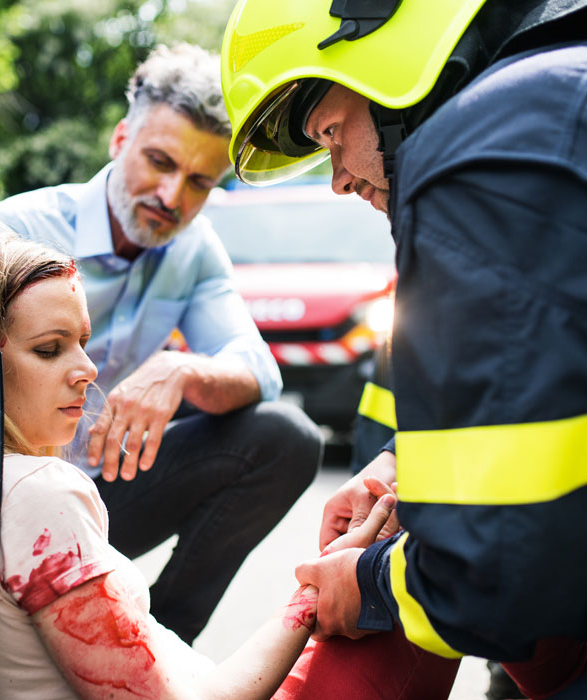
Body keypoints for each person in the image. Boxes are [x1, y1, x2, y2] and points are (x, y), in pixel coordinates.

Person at [220, 0, 587, 697]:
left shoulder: (487, 153)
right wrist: (403, 463)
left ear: (387, 50)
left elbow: (495, 578)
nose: (338, 178)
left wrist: (370, 587)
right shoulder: (560, 100)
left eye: (330, 132)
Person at [0, 231, 457, 699]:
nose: (88, 370)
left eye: (82, 341)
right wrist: (321, 587)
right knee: (431, 573)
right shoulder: (41, 494)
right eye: (49, 349)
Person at [0, 42, 322, 645]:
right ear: (120, 141)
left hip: (106, 486)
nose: (172, 197)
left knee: (286, 437)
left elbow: (259, 372)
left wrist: (180, 371)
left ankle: (160, 654)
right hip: (5, 496)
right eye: (159, 162)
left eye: (199, 181)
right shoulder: (20, 227)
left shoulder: (194, 250)